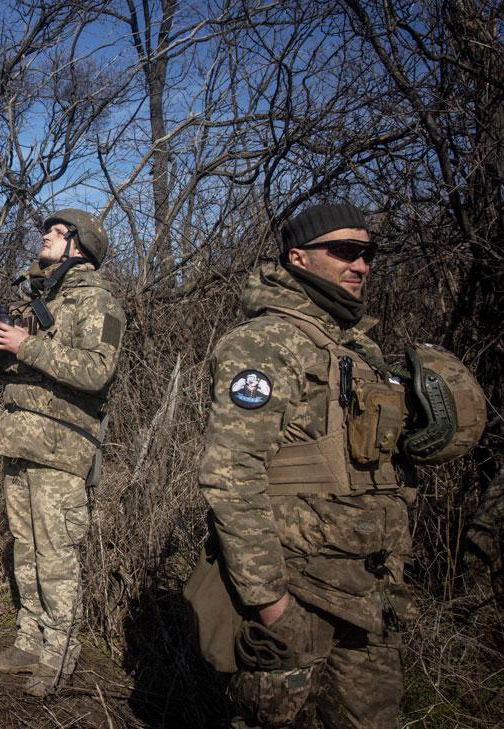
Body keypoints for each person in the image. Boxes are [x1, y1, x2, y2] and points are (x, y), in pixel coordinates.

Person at [194, 201, 466, 728]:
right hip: (299, 590)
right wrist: (270, 602)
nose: (361, 266)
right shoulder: (265, 343)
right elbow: (230, 477)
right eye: (344, 251)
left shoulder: (356, 347)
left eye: (366, 254)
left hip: (368, 591)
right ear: (299, 257)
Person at [0, 209, 125, 697]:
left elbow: (97, 372)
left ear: (78, 245)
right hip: (20, 439)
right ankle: (28, 642)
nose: (44, 236)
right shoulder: (39, 299)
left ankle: (59, 656)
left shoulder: (99, 303)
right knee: (27, 547)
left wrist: (27, 346)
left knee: (56, 554)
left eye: (55, 232)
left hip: (62, 447)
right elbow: (24, 374)